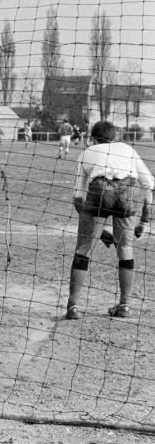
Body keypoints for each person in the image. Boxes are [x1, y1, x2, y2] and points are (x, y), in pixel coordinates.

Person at [65, 120, 154, 321]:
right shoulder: (128, 149)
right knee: (125, 249)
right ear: (114, 137)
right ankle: (124, 305)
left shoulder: (86, 153)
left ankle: (73, 307)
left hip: (99, 191)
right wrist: (144, 221)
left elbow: (78, 198)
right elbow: (149, 184)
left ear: (93, 138)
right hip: (126, 193)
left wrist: (100, 232)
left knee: (83, 250)